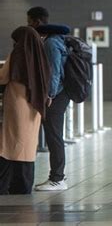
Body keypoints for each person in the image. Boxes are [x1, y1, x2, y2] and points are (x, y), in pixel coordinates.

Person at [0, 26, 51, 194]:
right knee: (28, 145)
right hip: (34, 105)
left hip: (17, 104)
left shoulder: (17, 54)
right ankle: (24, 185)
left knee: (9, 143)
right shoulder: (40, 55)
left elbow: (3, 77)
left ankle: (7, 184)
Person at [34, 24, 71, 191]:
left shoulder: (51, 44)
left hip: (57, 95)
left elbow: (54, 71)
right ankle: (56, 176)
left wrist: (50, 94)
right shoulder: (59, 41)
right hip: (62, 94)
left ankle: (57, 178)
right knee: (54, 135)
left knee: (54, 135)